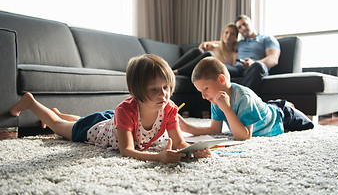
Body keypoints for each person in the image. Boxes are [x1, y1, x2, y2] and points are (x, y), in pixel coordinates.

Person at [10, 54, 211, 164]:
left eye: (166, 87)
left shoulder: (168, 109)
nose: (164, 94)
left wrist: (194, 151)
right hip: (97, 129)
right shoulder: (126, 110)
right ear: (137, 90)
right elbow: (127, 150)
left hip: (114, 122)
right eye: (154, 89)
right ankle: (31, 103)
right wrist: (157, 157)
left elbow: (178, 141)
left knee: (80, 118)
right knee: (58, 126)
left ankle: (57, 111)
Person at [178, 57, 314, 140]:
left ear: (221, 79)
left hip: (280, 116)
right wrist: (186, 127)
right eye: (200, 91)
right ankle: (276, 103)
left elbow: (244, 136)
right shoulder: (215, 99)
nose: (203, 96)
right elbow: (215, 130)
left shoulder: (244, 98)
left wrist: (227, 109)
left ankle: (286, 106)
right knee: (266, 106)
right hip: (262, 109)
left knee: (309, 126)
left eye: (205, 89)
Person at [204, 15, 281, 94]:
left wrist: (253, 63)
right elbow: (225, 41)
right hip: (238, 68)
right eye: (239, 27)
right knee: (215, 66)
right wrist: (207, 43)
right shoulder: (240, 42)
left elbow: (273, 59)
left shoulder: (267, 39)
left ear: (251, 22)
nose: (243, 28)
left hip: (255, 68)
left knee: (258, 65)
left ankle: (243, 100)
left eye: (245, 24)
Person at [172, 23, 239, 76]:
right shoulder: (214, 46)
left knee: (209, 54)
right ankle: (169, 70)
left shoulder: (234, 54)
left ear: (236, 37)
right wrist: (205, 43)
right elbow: (200, 50)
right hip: (195, 68)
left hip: (209, 72)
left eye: (232, 34)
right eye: (226, 32)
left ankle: (177, 72)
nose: (228, 36)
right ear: (223, 33)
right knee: (197, 51)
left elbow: (231, 70)